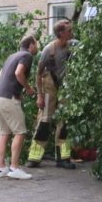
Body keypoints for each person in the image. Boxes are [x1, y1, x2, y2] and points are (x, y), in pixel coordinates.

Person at [26, 19, 76, 169]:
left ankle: (62, 158)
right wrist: (40, 96)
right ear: (61, 33)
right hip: (49, 87)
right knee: (45, 121)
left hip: (65, 88)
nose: (72, 33)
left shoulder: (73, 45)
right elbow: (38, 74)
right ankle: (34, 158)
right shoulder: (48, 50)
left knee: (64, 122)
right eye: (69, 31)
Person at [0, 34, 38, 180]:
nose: (37, 47)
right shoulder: (26, 55)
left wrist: (15, 89)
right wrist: (28, 88)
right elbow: (18, 73)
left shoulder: (11, 56)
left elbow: (0, 77)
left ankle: (1, 168)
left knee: (4, 133)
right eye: (36, 44)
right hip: (8, 98)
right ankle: (14, 167)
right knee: (20, 132)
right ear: (31, 44)